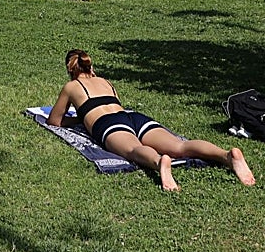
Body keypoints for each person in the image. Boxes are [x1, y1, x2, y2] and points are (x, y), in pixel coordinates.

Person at [48, 49, 255, 191]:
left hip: (108, 124)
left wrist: (80, 120)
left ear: (70, 70)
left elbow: (55, 120)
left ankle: (159, 162)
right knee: (179, 145)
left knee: (133, 150)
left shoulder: (71, 87)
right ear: (90, 66)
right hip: (132, 116)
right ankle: (227, 155)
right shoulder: (106, 82)